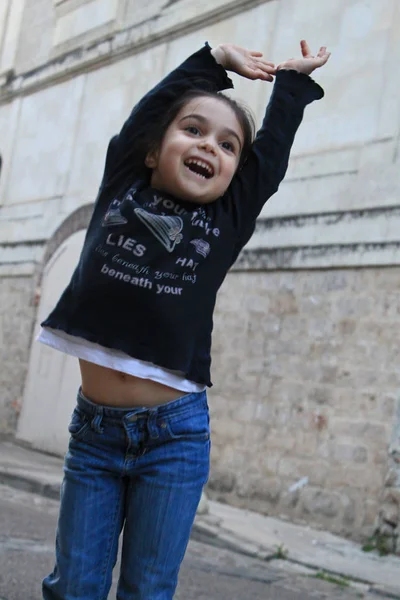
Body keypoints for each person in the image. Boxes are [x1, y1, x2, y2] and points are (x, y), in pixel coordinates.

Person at [39, 39, 330, 599]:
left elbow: (266, 163)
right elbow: (144, 117)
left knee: (147, 590)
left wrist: (290, 84)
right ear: (152, 151)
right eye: (192, 131)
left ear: (233, 174)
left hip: (175, 439)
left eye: (227, 145)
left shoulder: (226, 220)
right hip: (95, 436)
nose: (209, 146)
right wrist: (214, 60)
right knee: (73, 588)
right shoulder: (124, 182)